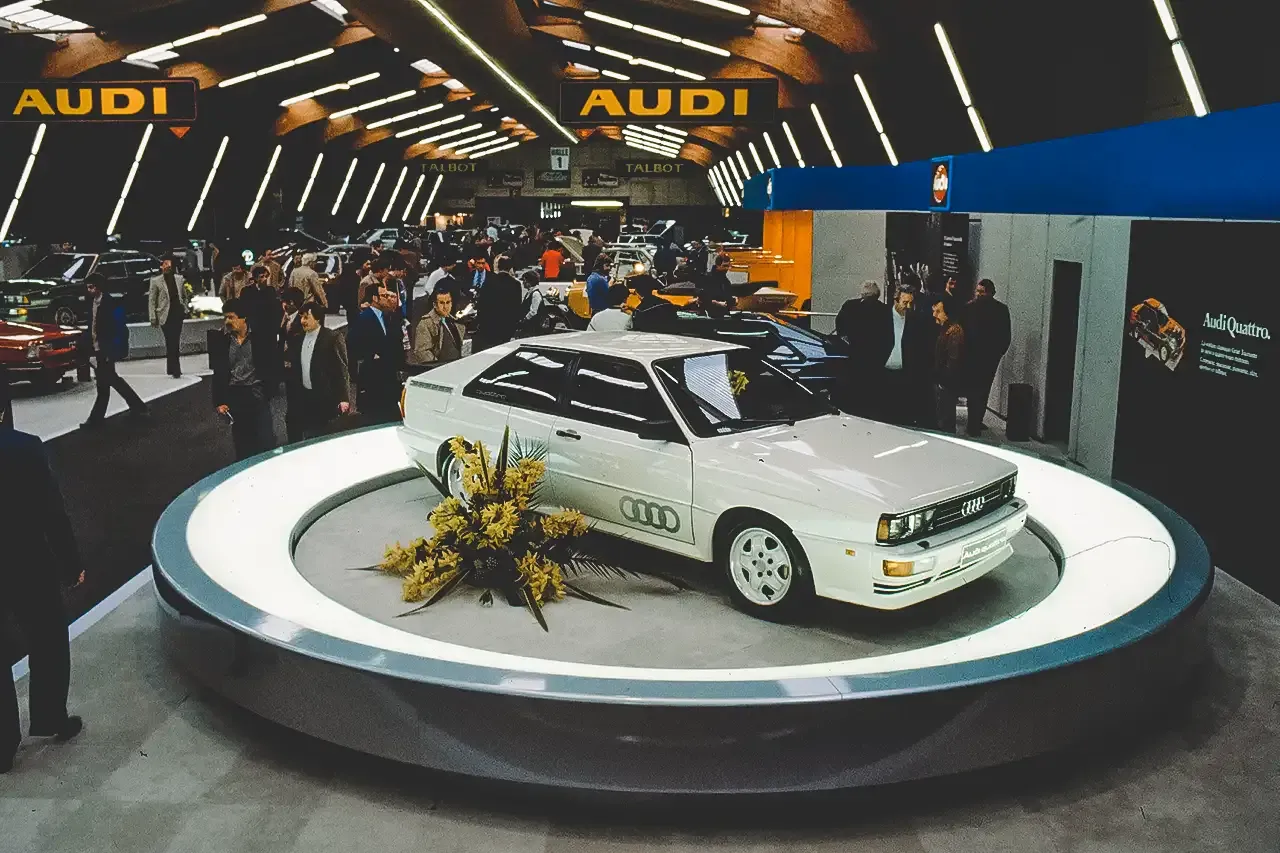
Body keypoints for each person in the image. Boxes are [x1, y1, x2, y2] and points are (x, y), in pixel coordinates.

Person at [0, 426, 85, 773]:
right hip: (28, 560)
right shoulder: (25, 447)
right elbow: (52, 510)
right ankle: (51, 716)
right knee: (48, 636)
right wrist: (71, 562)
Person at [210, 298, 277, 460]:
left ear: (243, 318)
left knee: (265, 440)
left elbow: (272, 365)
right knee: (242, 442)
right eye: (225, 317)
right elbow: (218, 373)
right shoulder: (222, 340)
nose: (227, 321)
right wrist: (219, 401)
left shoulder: (260, 337)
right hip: (235, 395)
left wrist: (268, 391)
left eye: (231, 317)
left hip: (256, 393)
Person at [82, 273, 148, 428]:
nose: (89, 290)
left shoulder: (109, 303)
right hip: (98, 349)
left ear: (98, 287)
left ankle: (96, 419)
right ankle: (137, 407)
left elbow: (112, 329)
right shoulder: (92, 303)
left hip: (105, 350)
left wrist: (109, 350)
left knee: (107, 383)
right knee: (109, 383)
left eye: (91, 287)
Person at [288, 303, 351, 439]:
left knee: (325, 435)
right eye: (301, 317)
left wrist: (344, 398)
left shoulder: (332, 338)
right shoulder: (298, 339)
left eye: (306, 317)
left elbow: (342, 370)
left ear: (317, 318)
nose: (302, 321)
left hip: (325, 397)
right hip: (304, 396)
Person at [347, 281, 406, 422]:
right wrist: (370, 355)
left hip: (389, 377)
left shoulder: (388, 317)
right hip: (372, 378)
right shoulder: (364, 318)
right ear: (375, 298)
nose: (387, 298)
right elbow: (352, 343)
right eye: (384, 296)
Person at [835, 281, 893, 417]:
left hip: (854, 356)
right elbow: (889, 336)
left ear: (862, 293)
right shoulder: (885, 310)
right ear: (877, 294)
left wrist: (846, 341)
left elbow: (840, 326)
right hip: (875, 359)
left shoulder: (850, 306)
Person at [962, 278, 1012, 437]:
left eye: (980, 292)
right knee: (984, 389)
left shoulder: (969, 308)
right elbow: (1006, 335)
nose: (978, 294)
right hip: (990, 357)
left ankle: (973, 423)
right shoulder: (1001, 310)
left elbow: (963, 332)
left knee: (973, 389)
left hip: (972, 355)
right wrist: (998, 353)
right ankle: (977, 420)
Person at [883, 286, 935, 426]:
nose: (908, 307)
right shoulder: (883, 318)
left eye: (911, 303)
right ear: (896, 300)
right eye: (905, 302)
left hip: (905, 374)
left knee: (902, 415)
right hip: (884, 372)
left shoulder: (915, 320)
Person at [931, 295, 966, 434]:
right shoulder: (946, 329)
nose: (934, 315)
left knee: (946, 417)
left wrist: (943, 380)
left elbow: (953, 360)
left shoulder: (954, 332)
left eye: (938, 311)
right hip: (945, 381)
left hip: (947, 382)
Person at [472, 256, 522, 351]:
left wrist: (480, 321)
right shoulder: (516, 284)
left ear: (498, 266)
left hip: (489, 324)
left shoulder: (489, 281)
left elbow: (482, 303)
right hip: (507, 325)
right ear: (510, 268)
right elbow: (517, 307)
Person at [148, 253, 186, 379]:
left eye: (169, 264)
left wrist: (185, 308)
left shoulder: (179, 279)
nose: (167, 266)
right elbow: (152, 300)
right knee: (170, 341)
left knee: (175, 341)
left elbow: (184, 295)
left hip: (177, 313)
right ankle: (175, 369)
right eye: (165, 264)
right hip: (165, 315)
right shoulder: (156, 281)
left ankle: (173, 368)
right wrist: (153, 316)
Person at [411, 288, 465, 367]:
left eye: (448, 302)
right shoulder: (425, 324)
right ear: (435, 305)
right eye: (442, 303)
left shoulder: (454, 321)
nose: (445, 306)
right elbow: (422, 352)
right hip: (440, 369)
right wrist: (437, 367)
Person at [517, 270, 545, 336]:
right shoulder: (529, 293)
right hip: (528, 326)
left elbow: (533, 311)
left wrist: (524, 319)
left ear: (529, 282)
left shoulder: (535, 294)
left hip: (532, 327)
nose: (523, 283)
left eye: (524, 280)